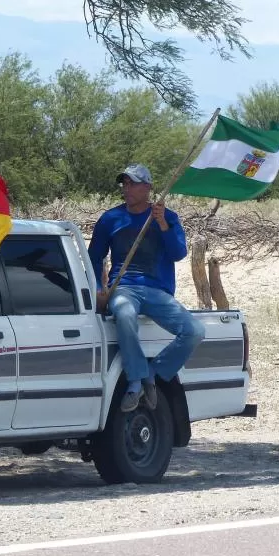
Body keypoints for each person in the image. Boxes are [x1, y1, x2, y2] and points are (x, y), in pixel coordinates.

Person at [88, 164, 205, 413]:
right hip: (124, 287)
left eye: (132, 183)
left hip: (157, 291)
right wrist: (99, 289)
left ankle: (153, 373)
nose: (126, 188)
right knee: (125, 314)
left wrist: (162, 223)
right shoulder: (111, 219)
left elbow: (178, 253)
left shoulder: (168, 217)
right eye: (125, 183)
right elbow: (94, 257)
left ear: (148, 188)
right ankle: (135, 380)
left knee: (194, 331)